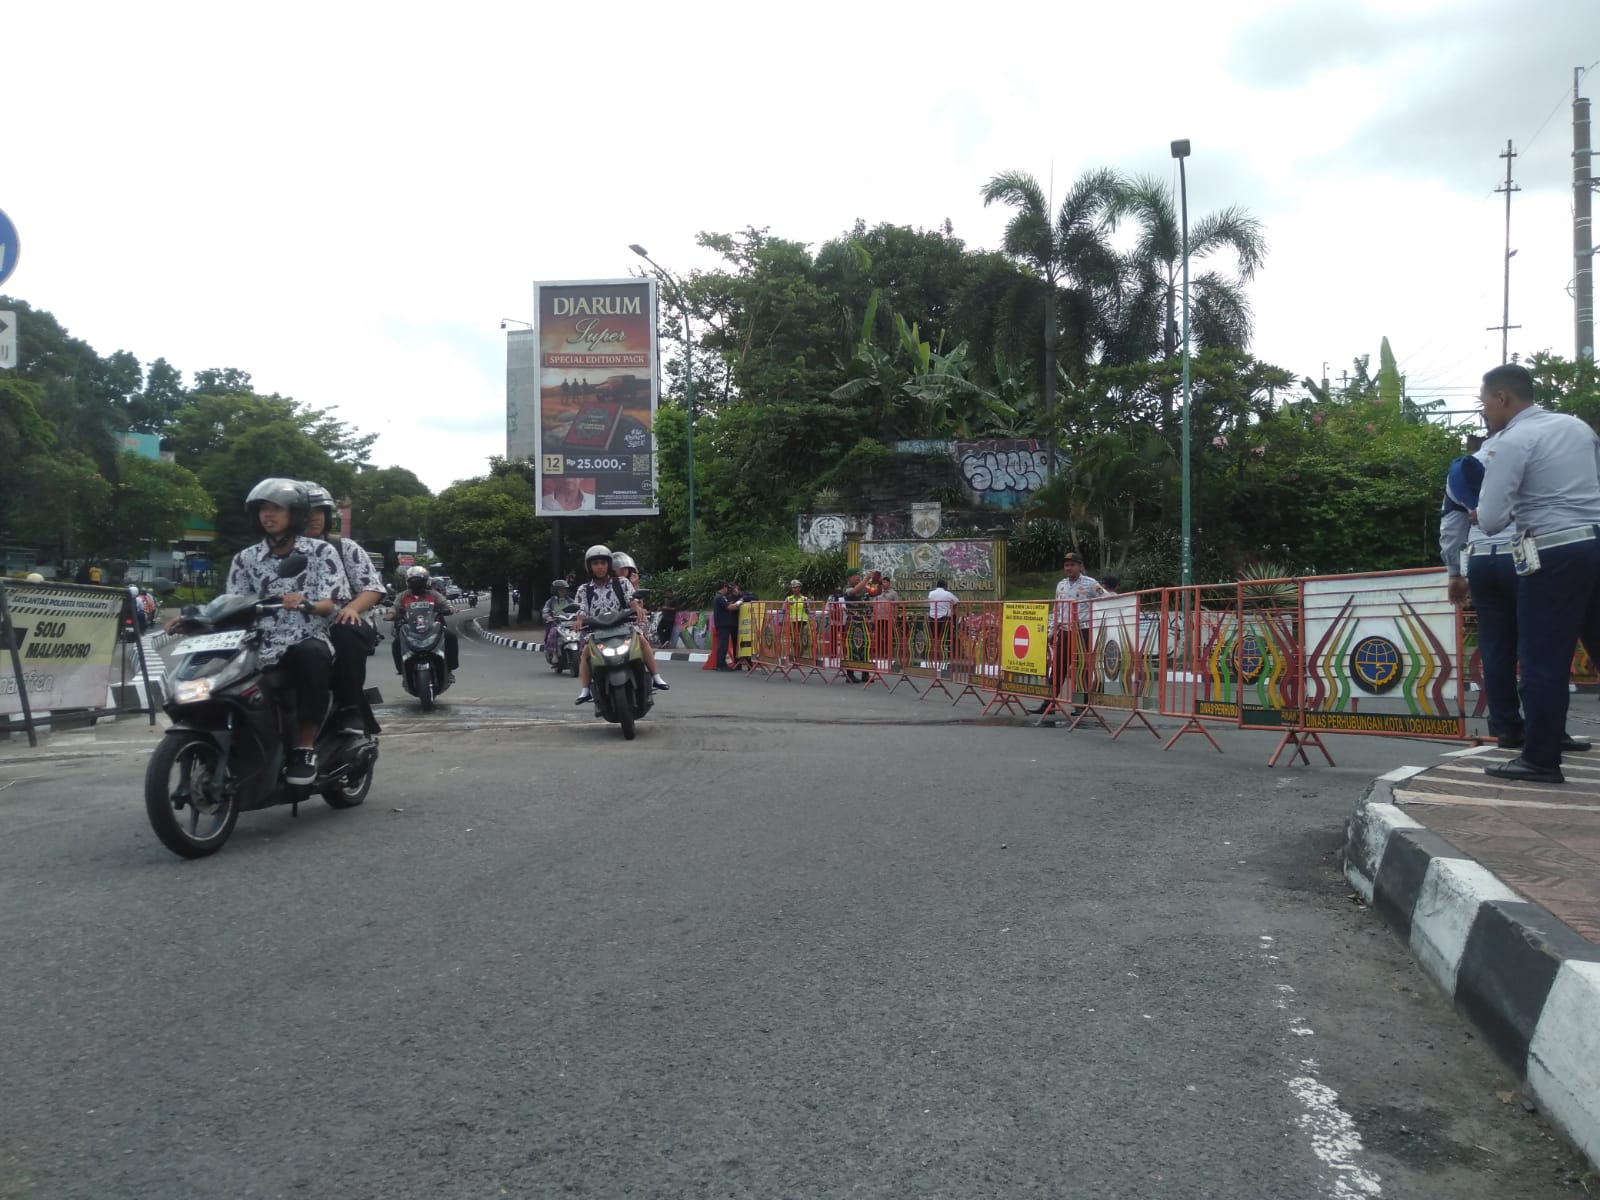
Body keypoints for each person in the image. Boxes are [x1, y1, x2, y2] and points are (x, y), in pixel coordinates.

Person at [1475, 363, 1600, 783]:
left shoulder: (1512, 441)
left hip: (1553, 553)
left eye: (1485, 403)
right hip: (1594, 543)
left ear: (1503, 398)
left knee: (1542, 660)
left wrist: (1477, 512)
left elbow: (1491, 519)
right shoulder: (1578, 428)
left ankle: (1541, 758)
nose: (1485, 412)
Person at [223, 478, 344, 786]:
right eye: (263, 508)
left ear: (296, 514)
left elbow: (330, 601)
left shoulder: (320, 552)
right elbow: (233, 600)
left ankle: (304, 747)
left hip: (306, 635)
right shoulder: (245, 558)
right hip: (258, 643)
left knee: (312, 655)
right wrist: (190, 618)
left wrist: (306, 603)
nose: (268, 515)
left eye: (276, 508)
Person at [303, 482, 385, 736]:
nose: (314, 518)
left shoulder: (344, 548)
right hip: (296, 627)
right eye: (307, 512)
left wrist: (351, 608)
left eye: (320, 512)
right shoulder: (275, 552)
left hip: (343, 620)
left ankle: (349, 707)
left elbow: (372, 587)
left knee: (345, 629)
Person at [571, 545, 669, 703]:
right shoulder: (584, 589)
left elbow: (632, 599)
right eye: (595, 563)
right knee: (585, 653)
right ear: (589, 566)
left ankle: (656, 677)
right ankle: (585, 689)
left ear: (609, 564)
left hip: (624, 627)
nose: (600, 567)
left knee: (642, 641)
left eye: (603, 563)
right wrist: (579, 620)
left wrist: (637, 608)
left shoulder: (622, 582)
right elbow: (581, 610)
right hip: (597, 632)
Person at [1042, 552, 1106, 715]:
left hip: (1083, 630)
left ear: (1079, 566)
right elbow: (1057, 609)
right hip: (1063, 630)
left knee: (1082, 668)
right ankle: (1049, 703)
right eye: (1066, 565)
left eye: (1072, 565)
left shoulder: (1090, 583)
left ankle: (1081, 705)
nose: (1068, 568)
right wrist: (1051, 630)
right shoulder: (1061, 585)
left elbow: (1105, 599)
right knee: (1057, 667)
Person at [391, 566, 460, 679]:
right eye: (413, 581)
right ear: (408, 582)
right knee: (396, 643)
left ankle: (450, 668)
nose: (416, 584)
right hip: (410, 629)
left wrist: (450, 608)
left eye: (419, 581)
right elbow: (394, 607)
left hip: (434, 626)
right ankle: (401, 669)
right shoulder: (402, 596)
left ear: (426, 581)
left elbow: (444, 603)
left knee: (451, 637)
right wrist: (391, 614)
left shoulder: (433, 594)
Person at [926, 578, 959, 668]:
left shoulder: (931, 593)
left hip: (932, 618)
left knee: (934, 638)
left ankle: (934, 656)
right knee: (946, 637)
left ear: (937, 585)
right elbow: (957, 601)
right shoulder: (947, 594)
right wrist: (950, 607)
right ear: (945, 586)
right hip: (944, 619)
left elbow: (929, 604)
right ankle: (947, 656)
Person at [711, 581, 741, 671]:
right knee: (723, 645)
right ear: (723, 587)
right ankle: (721, 665)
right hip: (723, 624)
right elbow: (729, 607)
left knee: (723, 645)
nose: (727, 590)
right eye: (727, 588)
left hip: (722, 624)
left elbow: (728, 605)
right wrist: (739, 603)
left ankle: (721, 664)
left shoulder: (719, 597)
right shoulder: (720, 597)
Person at [783, 579, 811, 661]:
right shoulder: (788, 598)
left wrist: (806, 605)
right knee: (794, 639)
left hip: (802, 621)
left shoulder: (805, 598)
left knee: (800, 639)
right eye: (793, 588)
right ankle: (796, 656)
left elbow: (808, 611)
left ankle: (798, 655)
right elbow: (783, 610)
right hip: (792, 621)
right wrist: (788, 605)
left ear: (800, 588)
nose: (795, 589)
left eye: (796, 587)